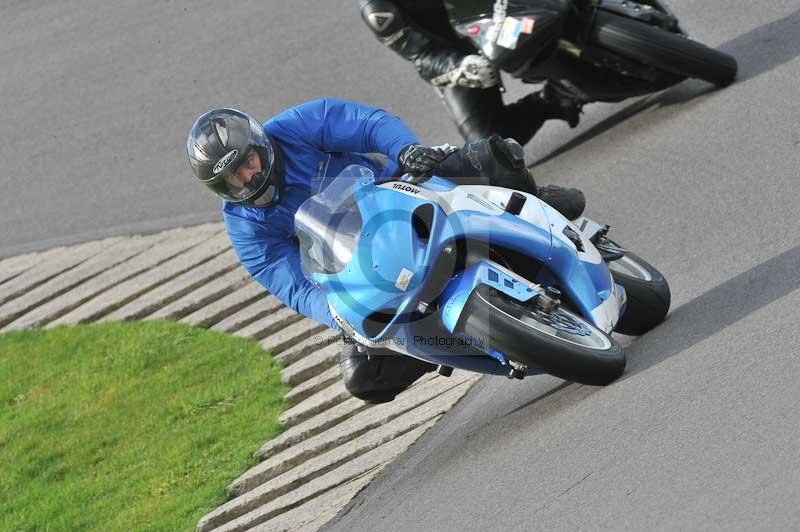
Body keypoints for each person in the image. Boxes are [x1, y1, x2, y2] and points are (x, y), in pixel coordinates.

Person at [187, 98, 584, 403]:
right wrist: (336, 313)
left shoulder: (296, 126)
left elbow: (367, 124)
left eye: (248, 162)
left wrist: (404, 150)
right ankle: (451, 346)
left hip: (401, 192)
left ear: (260, 145)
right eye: (233, 178)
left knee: (494, 156)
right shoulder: (244, 229)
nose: (248, 177)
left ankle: (537, 208)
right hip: (364, 270)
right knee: (365, 378)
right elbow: (293, 286)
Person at [358, 0, 582, 145]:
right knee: (488, 143)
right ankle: (555, 99)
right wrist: (460, 67)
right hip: (459, 48)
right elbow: (422, 55)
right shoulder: (376, 9)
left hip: (501, 5)